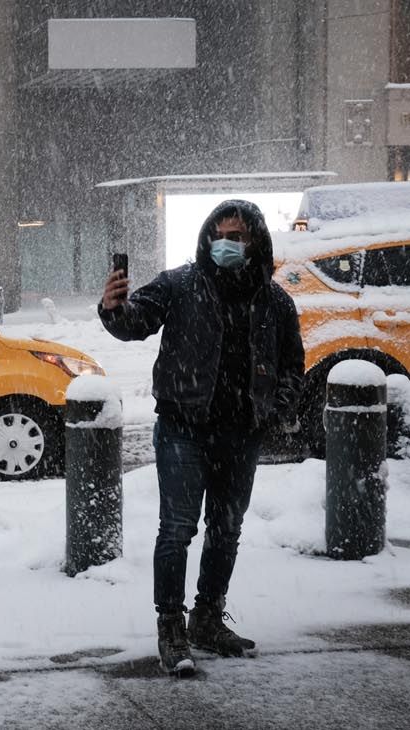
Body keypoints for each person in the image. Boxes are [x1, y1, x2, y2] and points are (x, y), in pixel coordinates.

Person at [99, 199, 305, 677]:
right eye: (219, 234)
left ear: (255, 243)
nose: (226, 243)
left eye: (237, 236)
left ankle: (208, 617)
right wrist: (114, 309)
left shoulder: (274, 301)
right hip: (182, 429)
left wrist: (273, 412)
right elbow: (136, 323)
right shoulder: (180, 283)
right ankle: (171, 625)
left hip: (241, 434)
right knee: (177, 528)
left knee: (227, 529)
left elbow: (293, 365)